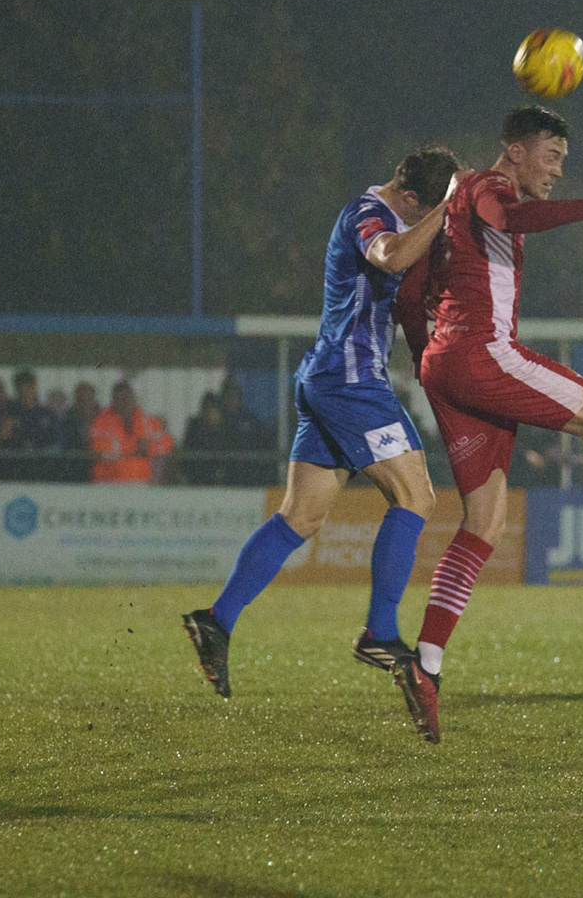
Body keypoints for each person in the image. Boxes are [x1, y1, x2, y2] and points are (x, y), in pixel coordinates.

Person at [184, 146, 457, 741]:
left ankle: (217, 620)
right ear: (412, 199)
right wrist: (447, 211)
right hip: (349, 383)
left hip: (330, 378)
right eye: (429, 210)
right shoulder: (369, 214)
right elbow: (389, 255)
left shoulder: (398, 214)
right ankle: (380, 632)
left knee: (301, 516)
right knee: (416, 497)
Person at [407, 105, 583, 693]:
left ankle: (425, 663)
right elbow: (510, 216)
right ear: (516, 152)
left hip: (445, 363)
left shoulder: (459, 201)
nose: (559, 170)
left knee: (483, 524)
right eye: (553, 155)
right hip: (482, 354)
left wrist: (429, 352)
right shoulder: (488, 187)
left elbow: (416, 287)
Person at [88, 381, 173, 483]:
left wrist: (148, 447)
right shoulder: (100, 422)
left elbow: (165, 445)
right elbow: (99, 449)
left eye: (127, 397)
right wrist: (136, 447)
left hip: (142, 482)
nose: (124, 401)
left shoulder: (149, 422)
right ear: (113, 400)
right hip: (108, 483)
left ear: (134, 398)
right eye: (120, 398)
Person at [180, 392, 233, 486]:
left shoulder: (226, 431)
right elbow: (187, 451)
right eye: (207, 411)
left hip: (219, 478)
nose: (210, 415)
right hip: (196, 477)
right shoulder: (194, 428)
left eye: (213, 412)